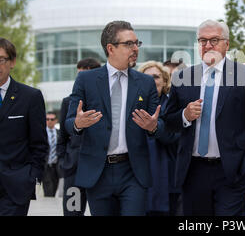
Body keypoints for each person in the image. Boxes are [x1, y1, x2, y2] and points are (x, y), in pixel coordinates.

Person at [162, 19, 245, 216]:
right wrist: (185, 115)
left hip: (232, 170)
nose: (208, 45)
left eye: (214, 40)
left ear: (227, 44)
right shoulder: (183, 77)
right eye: (202, 40)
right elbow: (168, 121)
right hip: (193, 170)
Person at [65, 21, 161, 216]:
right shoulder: (86, 80)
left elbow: (161, 125)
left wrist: (153, 127)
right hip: (98, 172)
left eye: (137, 43)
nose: (135, 49)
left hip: (133, 172)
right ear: (111, 48)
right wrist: (78, 123)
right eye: (129, 44)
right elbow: (68, 123)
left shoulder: (146, 82)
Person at [0, 38, 48, 215]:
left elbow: (39, 143)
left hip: (15, 187)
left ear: (12, 62)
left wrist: (31, 177)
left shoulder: (30, 97)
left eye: (1, 59)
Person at [57, 57, 101, 216]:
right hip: (73, 171)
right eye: (78, 76)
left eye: (84, 76)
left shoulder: (106, 103)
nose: (79, 80)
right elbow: (62, 137)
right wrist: (63, 163)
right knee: (72, 213)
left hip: (101, 172)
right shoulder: (68, 102)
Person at [138, 61, 181, 216]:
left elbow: (174, 135)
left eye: (156, 77)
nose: (151, 81)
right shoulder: (131, 107)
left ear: (164, 80)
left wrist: (154, 128)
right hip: (137, 179)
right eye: (146, 77)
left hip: (168, 178)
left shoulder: (174, 105)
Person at [42, 111, 60, 197]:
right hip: (45, 165)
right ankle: (48, 204)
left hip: (56, 166)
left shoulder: (59, 133)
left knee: (54, 187)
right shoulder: (41, 133)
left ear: (56, 120)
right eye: (47, 119)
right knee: (48, 188)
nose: (49, 121)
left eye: (52, 119)